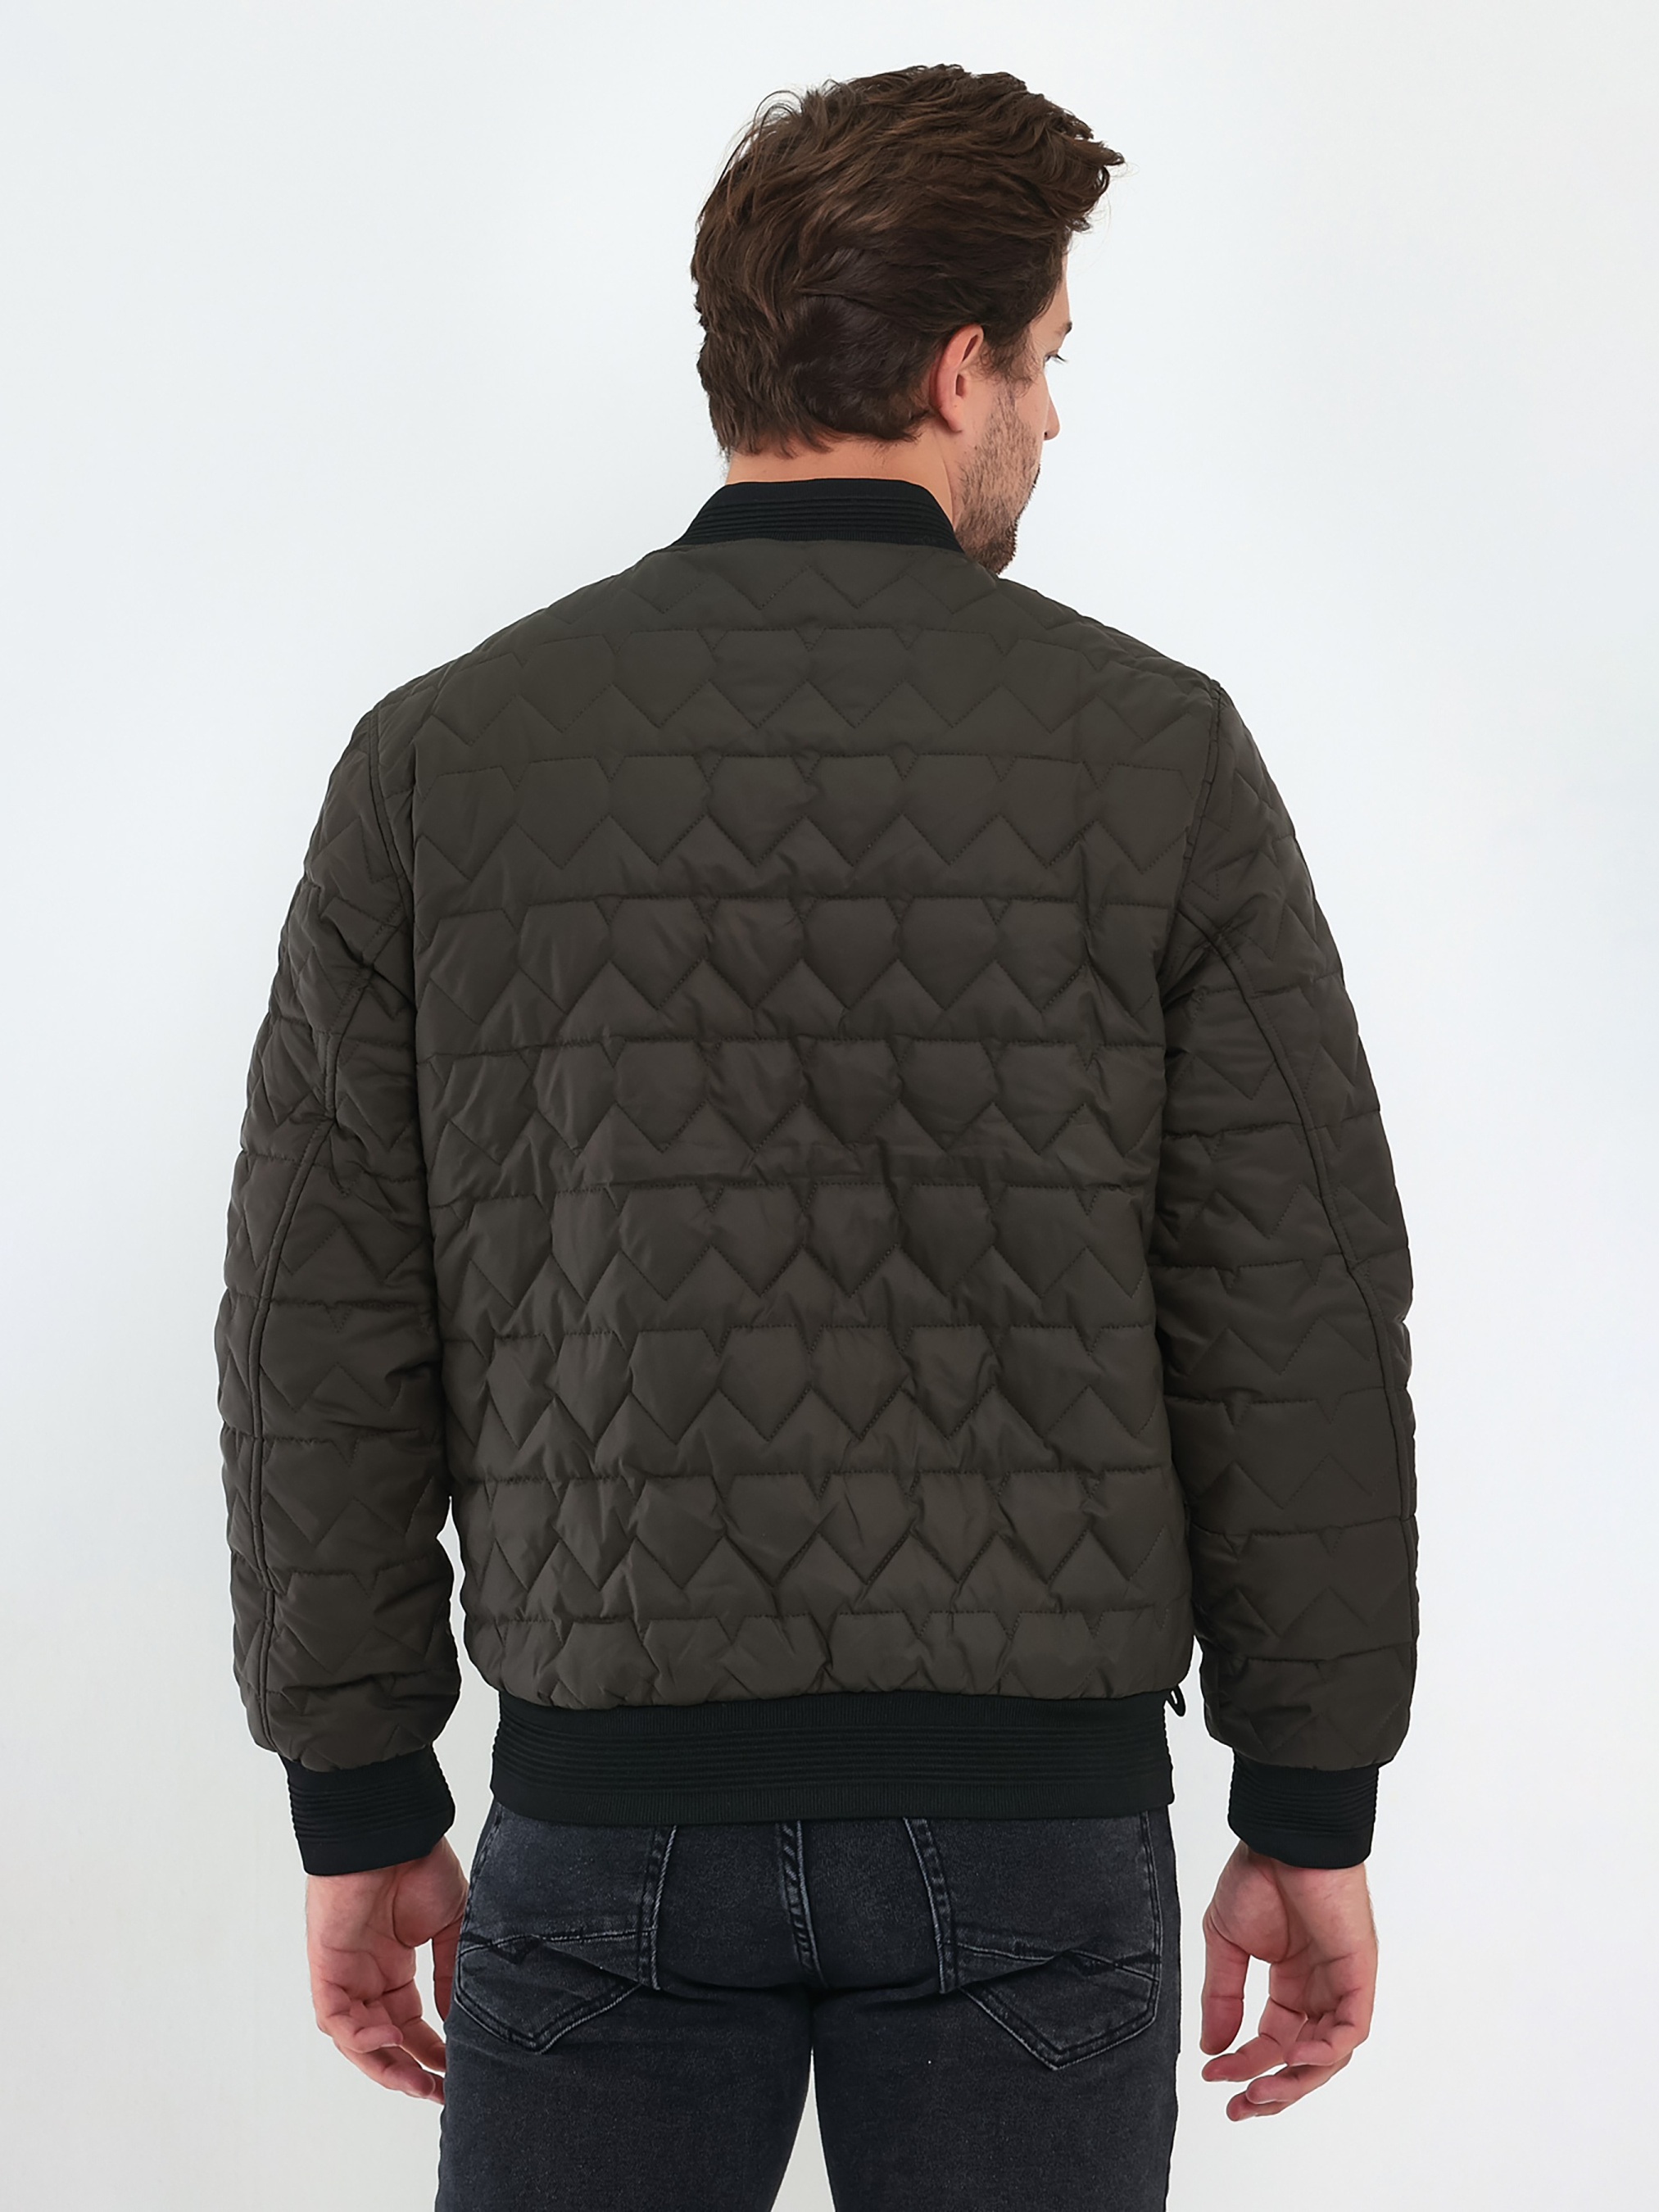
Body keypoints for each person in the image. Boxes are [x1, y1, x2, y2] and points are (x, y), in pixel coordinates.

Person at [217, 63, 1416, 2211]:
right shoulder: (1153, 756)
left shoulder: (442, 759)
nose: (1050, 417)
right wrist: (1306, 1800)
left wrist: (362, 1793)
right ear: (958, 370)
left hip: (605, 1817)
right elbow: (1293, 1309)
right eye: (1047, 361)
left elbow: (321, 1320)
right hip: (1033, 1831)